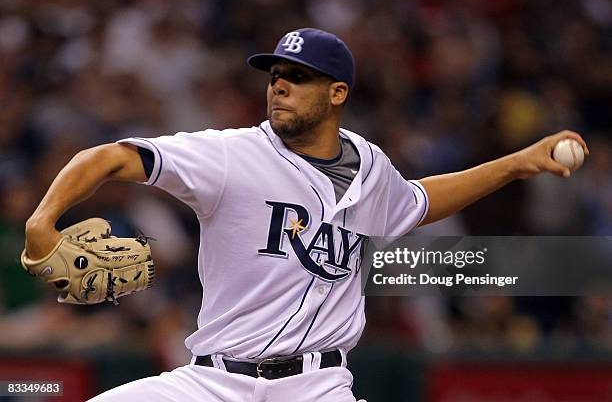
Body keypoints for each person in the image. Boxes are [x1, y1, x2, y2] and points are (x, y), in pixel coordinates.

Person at [24, 28, 588, 402]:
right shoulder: (230, 155)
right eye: (275, 76)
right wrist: (43, 221)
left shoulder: (368, 164)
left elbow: (415, 203)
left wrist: (517, 164)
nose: (280, 87)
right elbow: (110, 157)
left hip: (317, 386)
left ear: (337, 92)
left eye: (298, 78)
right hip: (215, 383)